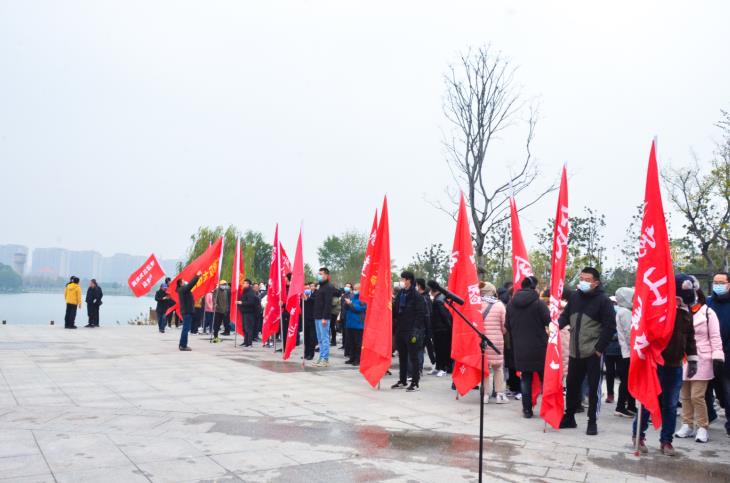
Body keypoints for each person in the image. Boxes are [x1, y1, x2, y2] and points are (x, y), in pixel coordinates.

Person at [632, 273, 698, 456]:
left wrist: (693, 359)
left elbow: (690, 338)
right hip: (655, 364)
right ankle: (638, 436)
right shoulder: (659, 309)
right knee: (648, 401)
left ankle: (666, 441)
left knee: (670, 405)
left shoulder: (686, 313)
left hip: (675, 365)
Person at [558, 267, 616, 436]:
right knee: (572, 385)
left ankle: (592, 421)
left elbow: (610, 327)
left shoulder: (603, 301)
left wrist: (599, 349)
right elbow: (565, 316)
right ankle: (569, 417)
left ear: (596, 283)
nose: (583, 282)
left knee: (593, 389)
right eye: (581, 278)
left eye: (587, 280)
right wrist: (556, 326)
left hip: (593, 352)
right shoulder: (575, 297)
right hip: (575, 351)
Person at [675, 281, 725, 443]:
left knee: (697, 396)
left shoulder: (708, 312)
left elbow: (715, 337)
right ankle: (687, 424)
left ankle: (702, 426)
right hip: (683, 358)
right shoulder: (680, 311)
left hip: (702, 359)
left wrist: (717, 356)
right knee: (684, 396)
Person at [506, 276, 550, 417]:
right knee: (545, 380)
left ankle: (527, 410)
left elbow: (508, 325)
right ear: (534, 287)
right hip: (539, 347)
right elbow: (548, 321)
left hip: (520, 348)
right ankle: (548, 409)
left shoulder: (511, 304)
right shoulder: (539, 303)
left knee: (525, 379)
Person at [391, 271, 428, 392]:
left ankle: (415, 382)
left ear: (409, 280)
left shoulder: (416, 296)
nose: (401, 281)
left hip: (411, 330)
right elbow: (396, 310)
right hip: (400, 329)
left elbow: (420, 314)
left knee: (413, 357)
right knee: (402, 356)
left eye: (403, 279)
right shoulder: (401, 293)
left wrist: (415, 330)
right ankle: (402, 380)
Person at [706, 271, 730, 437]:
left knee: (727, 391)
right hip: (708, 354)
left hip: (727, 355)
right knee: (706, 389)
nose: (718, 285)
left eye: (721, 282)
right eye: (716, 282)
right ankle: (709, 415)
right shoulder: (707, 303)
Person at [481, 281, 508, 404]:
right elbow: (504, 326)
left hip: (482, 341)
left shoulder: (477, 305)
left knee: (484, 369)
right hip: (497, 342)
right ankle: (499, 395)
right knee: (498, 368)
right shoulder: (500, 305)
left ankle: (485, 395)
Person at [614, 287, 637, 417]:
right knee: (627, 381)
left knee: (629, 380)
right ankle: (621, 406)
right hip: (627, 352)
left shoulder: (625, 311)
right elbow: (629, 333)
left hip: (627, 351)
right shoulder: (625, 312)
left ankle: (631, 405)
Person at [312, 268, 337, 367]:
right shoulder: (320, 286)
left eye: (321, 274)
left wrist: (324, 317)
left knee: (324, 338)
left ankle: (325, 359)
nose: (319, 275)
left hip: (323, 317)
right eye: (319, 273)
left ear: (326, 275)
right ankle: (321, 357)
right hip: (317, 316)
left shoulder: (328, 287)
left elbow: (327, 304)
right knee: (320, 339)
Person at [428, 281, 453, 377]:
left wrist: (449, 327)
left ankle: (444, 368)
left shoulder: (438, 300)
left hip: (442, 329)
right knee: (438, 349)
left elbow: (445, 316)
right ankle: (439, 367)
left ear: (432, 290)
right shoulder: (439, 298)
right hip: (439, 328)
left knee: (442, 350)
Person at [176, 271, 201, 351]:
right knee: (186, 329)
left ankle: (182, 344)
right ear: (181, 283)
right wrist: (197, 276)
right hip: (187, 312)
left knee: (185, 328)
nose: (185, 282)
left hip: (187, 311)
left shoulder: (182, 290)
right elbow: (191, 285)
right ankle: (183, 346)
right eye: (183, 281)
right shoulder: (183, 289)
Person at [344, 283, 366, 366]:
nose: (354, 291)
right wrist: (346, 304)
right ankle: (352, 358)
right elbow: (347, 308)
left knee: (358, 343)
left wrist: (350, 304)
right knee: (351, 342)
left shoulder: (364, 299)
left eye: (356, 289)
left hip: (358, 324)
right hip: (350, 324)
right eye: (354, 289)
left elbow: (359, 309)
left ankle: (358, 359)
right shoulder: (352, 297)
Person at [237, 279, 259, 347]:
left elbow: (251, 302)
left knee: (248, 328)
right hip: (245, 312)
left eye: (245, 283)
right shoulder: (245, 291)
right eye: (243, 283)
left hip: (249, 313)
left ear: (248, 284)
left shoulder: (250, 292)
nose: (244, 284)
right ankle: (245, 342)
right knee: (244, 328)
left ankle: (249, 343)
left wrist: (242, 303)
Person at [303, 283, 317, 360]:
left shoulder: (315, 294)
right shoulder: (303, 295)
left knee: (312, 337)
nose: (307, 289)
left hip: (313, 318)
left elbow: (314, 300)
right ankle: (306, 353)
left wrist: (307, 298)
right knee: (306, 337)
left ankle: (311, 354)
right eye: (305, 288)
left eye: (309, 287)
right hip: (305, 318)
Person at [340, 283, 353, 359]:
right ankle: (344, 345)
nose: (346, 287)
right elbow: (342, 307)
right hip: (343, 315)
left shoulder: (351, 295)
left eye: (348, 286)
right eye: (346, 286)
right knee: (344, 332)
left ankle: (348, 349)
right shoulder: (343, 295)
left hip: (348, 316)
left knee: (348, 333)